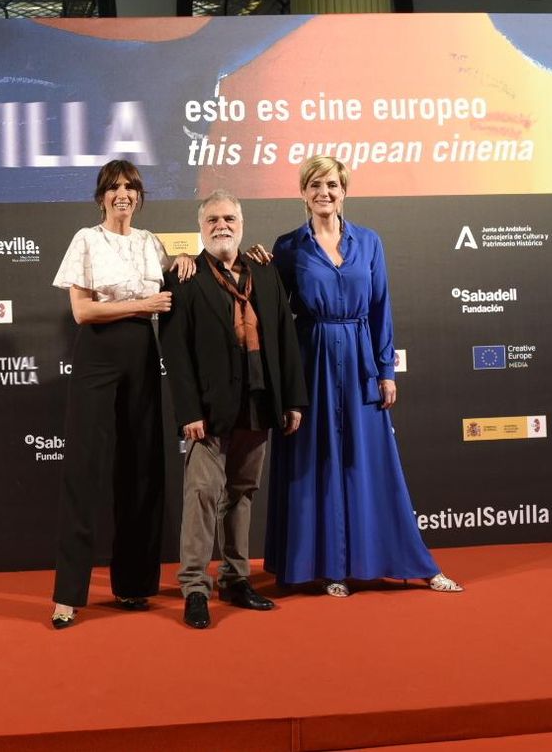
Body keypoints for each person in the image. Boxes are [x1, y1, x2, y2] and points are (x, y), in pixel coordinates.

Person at [259, 156, 461, 597]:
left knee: (372, 464)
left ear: (344, 190)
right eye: (314, 185)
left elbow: (380, 308)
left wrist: (385, 371)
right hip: (311, 362)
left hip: (360, 362)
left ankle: (413, 563)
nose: (323, 193)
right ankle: (330, 567)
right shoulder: (289, 247)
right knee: (318, 463)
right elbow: (273, 313)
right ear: (303, 193)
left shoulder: (369, 243)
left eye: (331, 184)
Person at [48, 159, 193, 629]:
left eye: (130, 187)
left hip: (142, 357)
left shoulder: (152, 243)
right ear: (102, 196)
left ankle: (133, 586)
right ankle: (68, 595)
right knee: (84, 471)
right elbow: (83, 311)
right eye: (114, 188)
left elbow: (179, 282)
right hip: (97, 357)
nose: (123, 194)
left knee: (142, 469)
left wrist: (189, 261)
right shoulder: (86, 240)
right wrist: (142, 305)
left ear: (140, 196)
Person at [161, 190, 306, 629]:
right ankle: (194, 588)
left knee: (242, 493)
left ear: (241, 223)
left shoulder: (264, 271)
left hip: (259, 401)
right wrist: (188, 410)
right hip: (208, 409)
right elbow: (176, 352)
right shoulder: (185, 276)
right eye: (212, 220)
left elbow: (284, 337)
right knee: (202, 494)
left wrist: (293, 399)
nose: (221, 226)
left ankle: (236, 577)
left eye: (229, 218)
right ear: (201, 227)